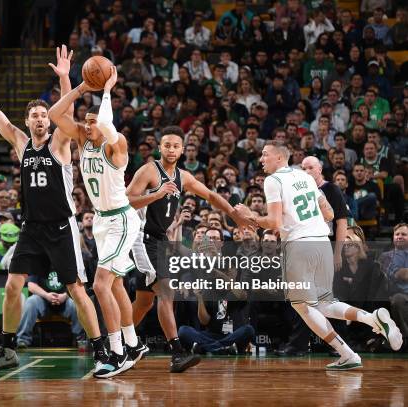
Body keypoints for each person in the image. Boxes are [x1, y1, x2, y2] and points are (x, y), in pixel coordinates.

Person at [0, 40, 104, 375]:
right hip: (31, 228)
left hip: (61, 225)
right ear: (27, 121)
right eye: (35, 115)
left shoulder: (60, 141)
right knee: (13, 285)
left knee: (75, 289)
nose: (41, 119)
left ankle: (102, 351)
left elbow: (67, 114)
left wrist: (65, 78)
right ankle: (7, 349)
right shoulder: (20, 142)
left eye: (45, 115)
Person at [235, 141, 402, 369]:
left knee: (303, 307)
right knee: (323, 304)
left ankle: (352, 346)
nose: (261, 159)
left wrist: (250, 215)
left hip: (298, 246)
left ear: (279, 157)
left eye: (265, 155)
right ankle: (367, 326)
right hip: (321, 243)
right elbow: (329, 213)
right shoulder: (305, 178)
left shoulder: (273, 181)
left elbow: (273, 222)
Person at [126, 125, 252, 373]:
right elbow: (127, 200)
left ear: (182, 150)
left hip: (159, 239)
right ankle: (177, 353)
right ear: (160, 147)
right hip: (141, 237)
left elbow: (211, 196)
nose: (171, 149)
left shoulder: (183, 177)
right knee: (166, 291)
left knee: (143, 302)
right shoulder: (150, 170)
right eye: (167, 145)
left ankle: (119, 343)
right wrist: (157, 193)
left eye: (176, 146)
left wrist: (234, 214)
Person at [49, 65, 147, 378]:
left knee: (100, 285)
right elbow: (54, 114)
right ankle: (133, 344)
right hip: (102, 222)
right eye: (87, 122)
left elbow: (105, 121)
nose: (89, 126)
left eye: (93, 123)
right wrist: (79, 88)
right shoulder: (81, 138)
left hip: (120, 220)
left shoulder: (116, 146)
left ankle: (116, 353)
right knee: (116, 285)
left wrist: (107, 89)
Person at [301, 156, 349, 270]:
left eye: (311, 167)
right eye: (303, 169)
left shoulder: (333, 189)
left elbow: (342, 222)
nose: (307, 171)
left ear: (320, 169)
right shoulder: (298, 191)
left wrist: (337, 253)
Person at [16, 268, 84, 349]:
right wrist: (46, 295)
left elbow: (78, 283)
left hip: (65, 300)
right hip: (43, 300)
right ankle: (22, 340)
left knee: (77, 303)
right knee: (31, 302)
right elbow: (31, 285)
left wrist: (65, 295)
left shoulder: (67, 260)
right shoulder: (38, 261)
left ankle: (81, 341)